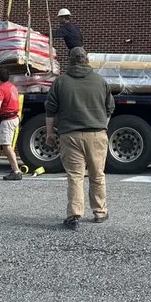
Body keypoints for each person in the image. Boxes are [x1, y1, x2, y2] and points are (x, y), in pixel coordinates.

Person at [45, 46, 115, 228]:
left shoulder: (60, 82)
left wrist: (50, 133)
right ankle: (100, 212)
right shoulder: (100, 81)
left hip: (70, 135)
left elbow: (50, 110)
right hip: (97, 134)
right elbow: (110, 108)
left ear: (70, 60)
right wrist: (102, 126)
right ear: (87, 59)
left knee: (75, 176)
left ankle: (74, 215)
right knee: (97, 174)